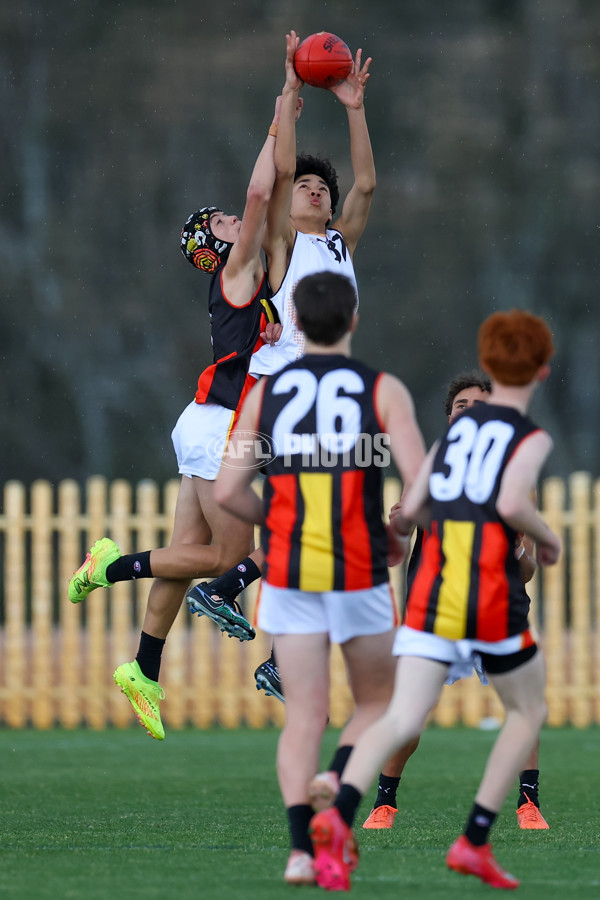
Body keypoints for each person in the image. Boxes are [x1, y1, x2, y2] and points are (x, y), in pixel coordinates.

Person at [67, 95, 295, 740]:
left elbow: (270, 204)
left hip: (210, 421)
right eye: (221, 221)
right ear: (214, 244)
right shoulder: (237, 271)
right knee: (229, 553)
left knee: (189, 553)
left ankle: (143, 667)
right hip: (220, 423)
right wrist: (279, 115)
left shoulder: (252, 278)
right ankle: (108, 566)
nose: (234, 219)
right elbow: (260, 198)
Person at [309, 308, 560, 891]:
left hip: (434, 606)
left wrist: (406, 521)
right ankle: (474, 838)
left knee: (398, 715)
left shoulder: (436, 458)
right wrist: (545, 539)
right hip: (490, 605)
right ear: (540, 373)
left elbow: (416, 513)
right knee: (527, 712)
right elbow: (515, 506)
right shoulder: (524, 437)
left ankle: (339, 806)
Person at [213, 271, 427, 886]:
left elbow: (229, 491)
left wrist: (277, 522)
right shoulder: (382, 390)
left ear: (298, 323)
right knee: (381, 704)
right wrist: (398, 529)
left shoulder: (264, 396)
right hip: (357, 565)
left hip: (291, 570)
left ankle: (300, 851)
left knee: (304, 715)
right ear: (354, 319)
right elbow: (417, 491)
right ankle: (340, 785)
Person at [186, 29, 377, 701]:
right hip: (289, 391)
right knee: (323, 521)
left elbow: (369, 184)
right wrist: (291, 100)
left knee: (328, 530)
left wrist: (353, 107)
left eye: (323, 185)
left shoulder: (341, 245)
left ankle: (246, 615)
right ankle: (229, 589)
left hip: (326, 394)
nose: (317, 189)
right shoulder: (284, 245)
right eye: (306, 184)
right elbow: (280, 169)